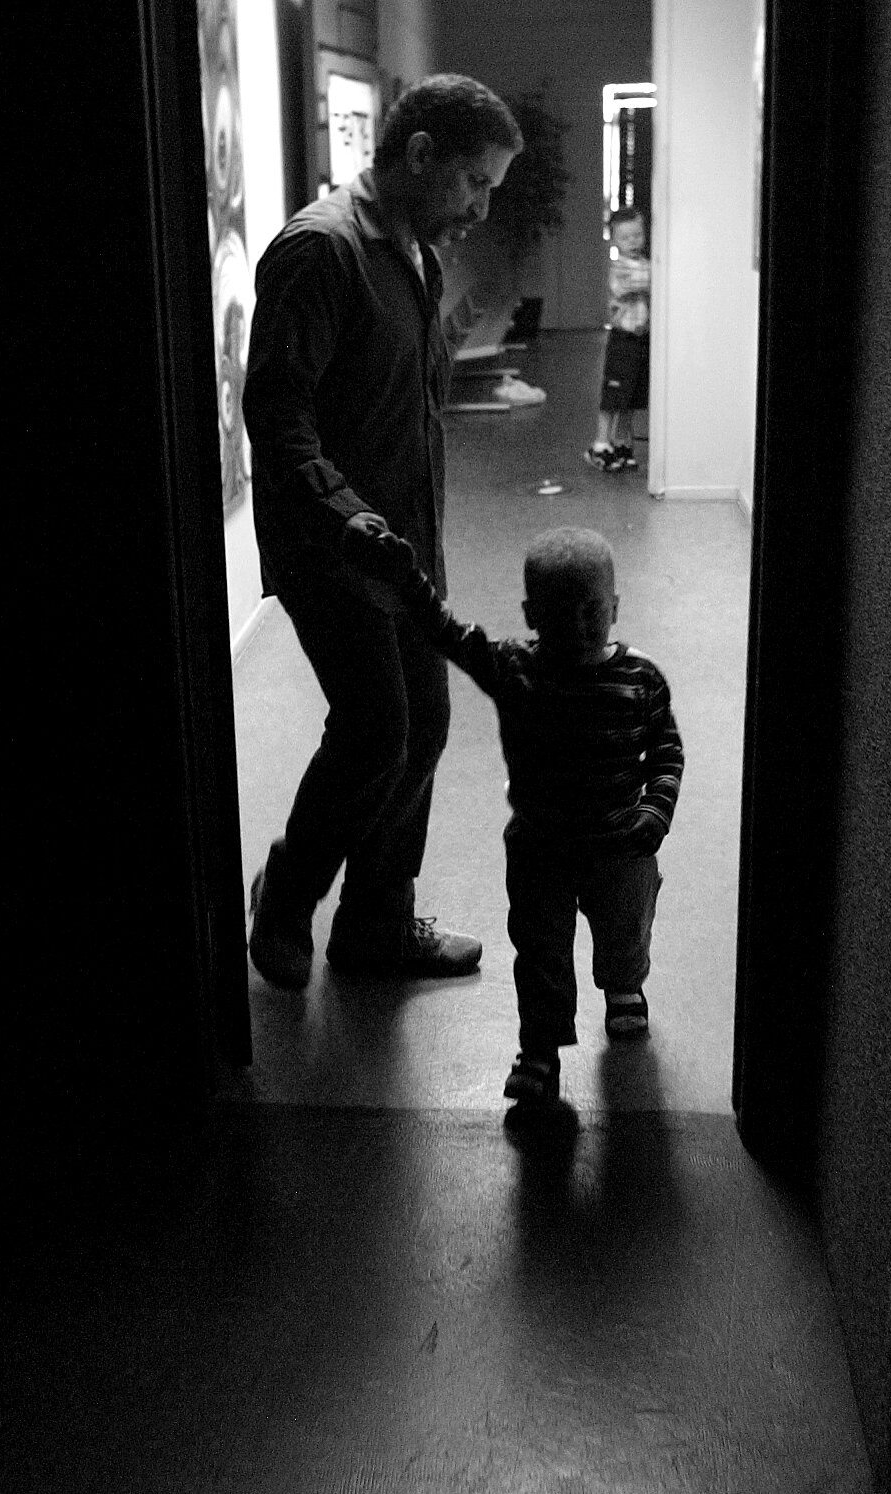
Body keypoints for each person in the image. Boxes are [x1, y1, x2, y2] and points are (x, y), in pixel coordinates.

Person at [240, 75, 522, 988]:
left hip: (403, 545)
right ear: (420, 154)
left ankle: (375, 927)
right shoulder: (319, 251)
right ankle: (283, 901)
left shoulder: (415, 250)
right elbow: (278, 421)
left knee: (424, 727)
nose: (481, 206)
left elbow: (400, 400)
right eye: (474, 183)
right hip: (332, 550)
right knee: (374, 731)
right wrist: (348, 516)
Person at [367, 526, 684, 1104]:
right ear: (531, 614)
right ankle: (539, 1048)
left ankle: (624, 989)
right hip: (541, 850)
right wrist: (407, 579)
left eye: (593, 610)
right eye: (561, 613)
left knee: (624, 933)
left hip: (622, 848)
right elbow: (447, 633)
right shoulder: (516, 669)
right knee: (539, 954)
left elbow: (666, 752)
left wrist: (656, 811)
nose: (579, 625)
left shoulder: (641, 680)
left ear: (615, 607)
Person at [586, 208, 651, 473]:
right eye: (625, 238)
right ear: (614, 240)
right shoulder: (619, 268)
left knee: (631, 397)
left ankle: (624, 444)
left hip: (641, 340)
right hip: (622, 340)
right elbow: (638, 285)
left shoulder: (647, 263)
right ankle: (601, 445)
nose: (633, 242)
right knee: (614, 395)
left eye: (637, 235)